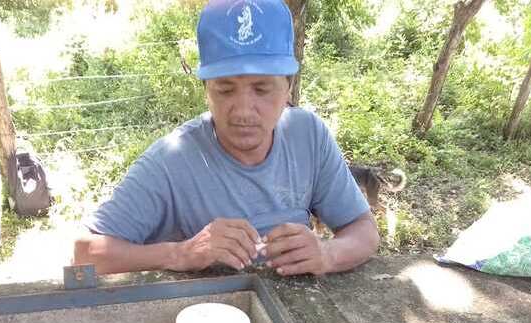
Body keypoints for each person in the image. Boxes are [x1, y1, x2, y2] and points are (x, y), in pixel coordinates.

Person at [73, 0, 379, 276]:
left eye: (262, 89)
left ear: (288, 88)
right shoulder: (171, 161)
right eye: (225, 89)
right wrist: (181, 253)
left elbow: (363, 230)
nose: (244, 110)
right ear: (206, 90)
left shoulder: (308, 135)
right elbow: (85, 253)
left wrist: (327, 254)